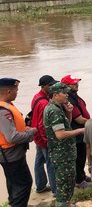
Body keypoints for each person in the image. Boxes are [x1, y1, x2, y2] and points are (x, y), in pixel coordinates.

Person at [44, 82, 86, 207]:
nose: (67, 95)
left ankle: (66, 203)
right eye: (64, 93)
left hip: (63, 154)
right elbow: (60, 134)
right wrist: (81, 130)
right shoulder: (54, 111)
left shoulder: (55, 107)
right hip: (62, 155)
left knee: (67, 183)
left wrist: (69, 113)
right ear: (55, 95)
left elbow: (64, 125)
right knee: (64, 185)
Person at [0, 78, 36, 207]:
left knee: (13, 184)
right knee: (24, 184)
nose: (17, 93)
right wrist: (31, 133)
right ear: (8, 91)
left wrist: (25, 129)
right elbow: (12, 137)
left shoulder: (7, 105)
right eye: (16, 90)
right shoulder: (3, 111)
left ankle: (13, 203)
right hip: (11, 155)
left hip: (11, 154)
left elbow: (12, 129)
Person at [61, 74, 91, 188]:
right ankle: (79, 180)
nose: (76, 84)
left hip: (81, 131)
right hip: (76, 132)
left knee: (82, 156)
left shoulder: (74, 96)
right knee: (78, 157)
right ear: (67, 86)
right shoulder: (68, 100)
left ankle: (82, 176)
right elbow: (78, 118)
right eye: (73, 83)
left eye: (76, 82)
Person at [32, 75, 58, 195]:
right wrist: (48, 141)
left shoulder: (36, 97)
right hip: (43, 138)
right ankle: (55, 190)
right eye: (50, 85)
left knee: (39, 160)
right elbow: (42, 125)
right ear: (44, 86)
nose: (53, 86)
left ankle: (40, 185)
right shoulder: (44, 103)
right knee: (51, 163)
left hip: (36, 135)